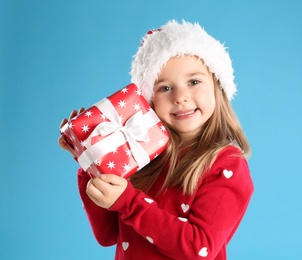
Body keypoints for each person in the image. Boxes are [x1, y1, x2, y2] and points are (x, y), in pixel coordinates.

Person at [58, 20, 254, 260]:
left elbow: (198, 249)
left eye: (194, 81)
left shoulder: (226, 165)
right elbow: (107, 235)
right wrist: (90, 161)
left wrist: (129, 202)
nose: (181, 97)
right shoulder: (139, 153)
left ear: (218, 87)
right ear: (148, 100)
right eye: (164, 88)